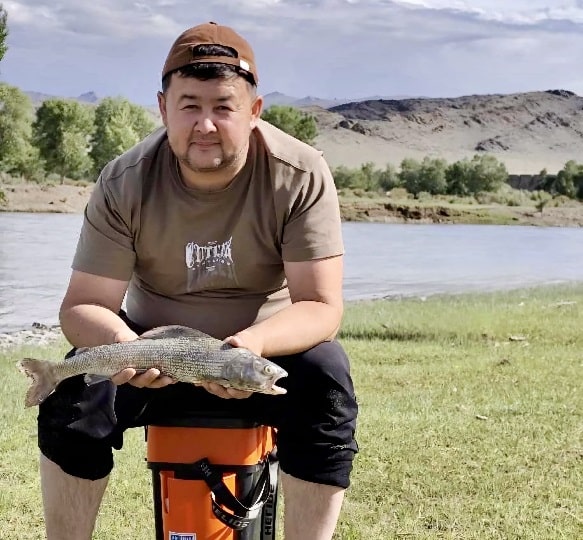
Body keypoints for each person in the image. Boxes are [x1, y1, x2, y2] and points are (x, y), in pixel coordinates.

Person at [37, 21, 358, 540]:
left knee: (327, 377)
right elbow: (82, 306)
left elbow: (321, 305)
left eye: (223, 107)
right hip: (150, 358)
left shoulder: (299, 172)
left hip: (261, 353)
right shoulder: (124, 180)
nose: (205, 125)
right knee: (73, 393)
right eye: (189, 106)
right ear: (163, 108)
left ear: (254, 112)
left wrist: (246, 350)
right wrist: (126, 349)